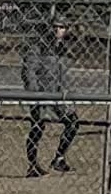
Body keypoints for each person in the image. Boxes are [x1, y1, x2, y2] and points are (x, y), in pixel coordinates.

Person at [20, 12, 81, 179]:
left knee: (73, 123)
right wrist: (34, 93)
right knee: (38, 127)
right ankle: (32, 165)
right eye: (54, 27)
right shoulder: (37, 47)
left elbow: (64, 72)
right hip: (40, 93)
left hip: (59, 93)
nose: (57, 31)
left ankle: (59, 158)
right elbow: (29, 71)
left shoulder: (61, 49)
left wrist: (66, 90)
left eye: (61, 28)